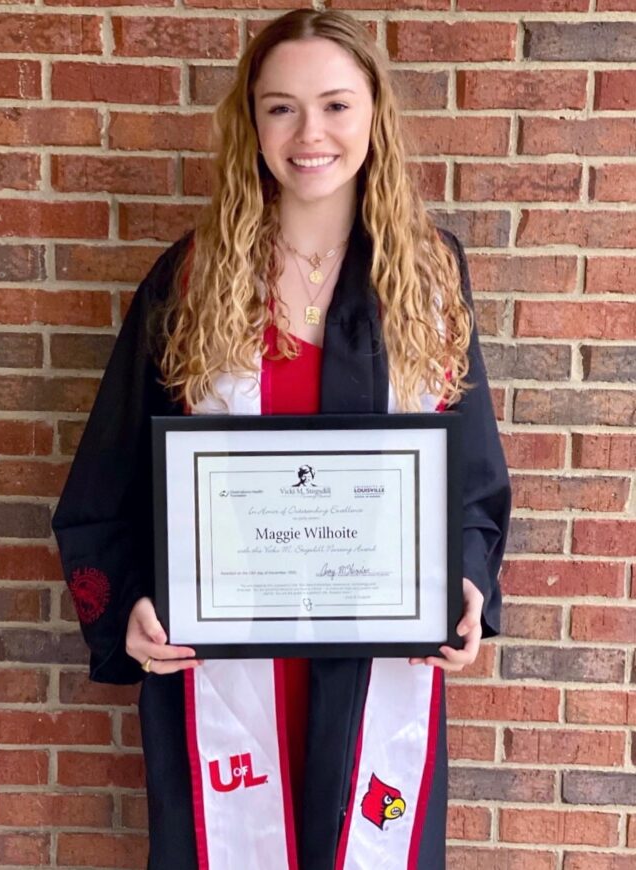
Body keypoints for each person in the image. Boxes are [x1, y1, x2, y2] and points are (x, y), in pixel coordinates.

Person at [52, 9, 510, 870]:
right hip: (225, 670)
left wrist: (466, 586)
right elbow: (109, 483)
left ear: (375, 114)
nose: (311, 135)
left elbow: (471, 480)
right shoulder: (192, 279)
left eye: (335, 105)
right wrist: (133, 612)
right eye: (281, 108)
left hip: (377, 664)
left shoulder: (430, 280)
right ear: (251, 123)